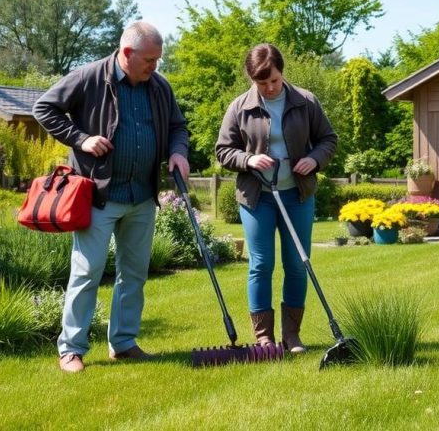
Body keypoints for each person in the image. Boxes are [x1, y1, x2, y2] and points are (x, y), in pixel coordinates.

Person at [33, 21, 190, 373]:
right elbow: (44, 108)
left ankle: (123, 343)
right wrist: (81, 139)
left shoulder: (159, 87)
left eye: (158, 60)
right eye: (149, 59)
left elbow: (178, 127)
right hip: (98, 196)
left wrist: (178, 152)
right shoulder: (89, 77)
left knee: (133, 274)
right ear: (127, 53)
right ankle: (71, 349)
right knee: (87, 272)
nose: (155, 66)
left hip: (141, 195)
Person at [215, 43, 337, 353]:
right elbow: (223, 151)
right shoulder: (239, 107)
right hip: (258, 198)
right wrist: (248, 160)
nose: (270, 88)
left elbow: (328, 139)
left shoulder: (306, 101)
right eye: (262, 82)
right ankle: (264, 338)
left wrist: (314, 159)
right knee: (262, 263)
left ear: (282, 73)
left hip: (297, 194)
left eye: (275, 80)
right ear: (251, 78)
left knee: (297, 263)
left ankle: (292, 336)